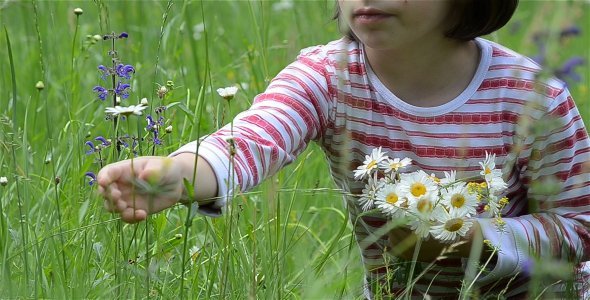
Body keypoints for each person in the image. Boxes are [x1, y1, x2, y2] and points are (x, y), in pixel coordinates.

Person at [97, 0, 590, 298]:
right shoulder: (326, 77)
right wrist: (179, 174)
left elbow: (578, 225)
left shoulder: (533, 95)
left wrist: (478, 240)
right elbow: (251, 140)